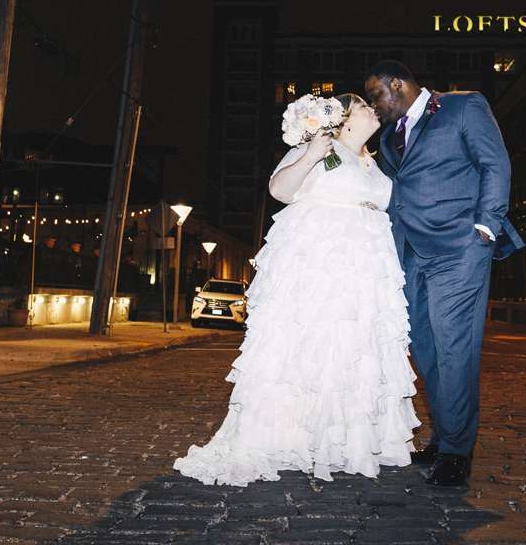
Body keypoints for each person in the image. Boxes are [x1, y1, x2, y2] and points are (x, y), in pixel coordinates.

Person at [173, 94, 419, 486]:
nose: (373, 109)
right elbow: (280, 190)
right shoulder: (319, 148)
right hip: (322, 266)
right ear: (344, 120)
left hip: (366, 267)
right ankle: (293, 436)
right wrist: (312, 154)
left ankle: (349, 442)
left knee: (356, 350)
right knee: (315, 348)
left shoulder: (376, 162)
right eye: (363, 106)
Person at [364, 61, 524, 487]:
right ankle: (442, 437)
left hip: (459, 249)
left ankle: (457, 452)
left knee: (455, 346)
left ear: (396, 84)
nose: (375, 106)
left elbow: (495, 164)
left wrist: (486, 226)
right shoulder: (388, 137)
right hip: (409, 254)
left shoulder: (463, 106)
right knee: (427, 349)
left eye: (377, 95)